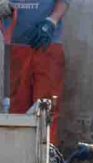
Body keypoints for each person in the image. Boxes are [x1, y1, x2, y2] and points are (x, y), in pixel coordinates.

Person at [1, 0, 70, 145]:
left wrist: (52, 21)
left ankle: (47, 161)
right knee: (17, 109)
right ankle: (18, 157)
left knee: (46, 108)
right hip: (15, 46)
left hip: (46, 45)